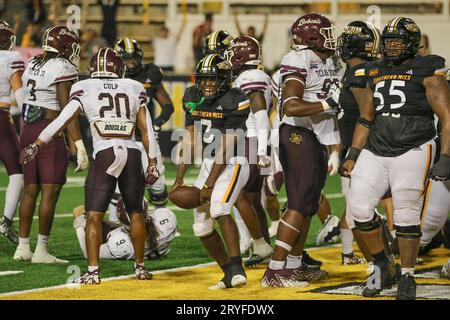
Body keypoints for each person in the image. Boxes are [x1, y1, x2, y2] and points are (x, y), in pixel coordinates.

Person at [20, 47, 160, 284]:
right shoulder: (134, 87)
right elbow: (147, 130)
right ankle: (140, 268)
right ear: (119, 68)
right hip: (133, 152)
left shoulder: (84, 87)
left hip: (105, 152)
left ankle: (94, 272)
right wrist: (153, 162)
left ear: (94, 68)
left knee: (93, 215)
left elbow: (63, 120)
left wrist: (37, 144)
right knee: (136, 213)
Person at [341, 17, 450, 300]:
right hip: (375, 148)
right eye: (388, 41)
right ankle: (382, 265)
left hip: (414, 146)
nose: (392, 46)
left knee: (406, 214)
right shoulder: (372, 70)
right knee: (359, 209)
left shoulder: (427, 67)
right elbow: (366, 117)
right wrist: (353, 153)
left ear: (412, 43)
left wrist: (446, 156)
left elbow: (447, 116)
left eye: (398, 40)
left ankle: (408, 275)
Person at [262, 13, 340, 288]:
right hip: (297, 132)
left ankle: (294, 265)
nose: (331, 37)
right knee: (297, 203)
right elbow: (291, 106)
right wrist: (328, 103)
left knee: (308, 203)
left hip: (315, 134)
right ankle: (274, 271)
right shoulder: (298, 58)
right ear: (310, 37)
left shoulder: (329, 59)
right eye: (326, 32)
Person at [172, 53, 250, 289]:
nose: (206, 84)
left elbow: (226, 150)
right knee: (201, 226)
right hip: (209, 162)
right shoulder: (192, 97)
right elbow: (190, 141)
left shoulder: (235, 100)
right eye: (204, 79)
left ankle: (238, 268)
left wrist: (208, 185)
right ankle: (227, 272)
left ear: (225, 80)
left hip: (235, 161)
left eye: (212, 79)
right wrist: (179, 178)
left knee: (219, 207)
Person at [13, 25, 88, 264]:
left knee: (30, 190)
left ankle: (23, 247)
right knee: (50, 191)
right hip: (49, 133)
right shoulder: (63, 67)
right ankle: (41, 250)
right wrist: (77, 142)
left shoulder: (34, 62)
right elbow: (67, 109)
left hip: (27, 129)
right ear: (64, 46)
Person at [225, 36, 275, 266]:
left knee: (236, 194)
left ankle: (260, 244)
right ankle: (263, 246)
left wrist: (262, 148)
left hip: (252, 141)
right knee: (254, 200)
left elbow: (261, 115)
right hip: (255, 141)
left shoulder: (249, 77)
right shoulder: (258, 75)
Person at [112, 38, 174, 215]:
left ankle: (163, 221)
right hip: (121, 137)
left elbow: (168, 105)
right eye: (126, 58)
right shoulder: (112, 77)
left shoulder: (150, 73)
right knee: (116, 187)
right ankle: (115, 224)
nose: (130, 62)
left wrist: (157, 123)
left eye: (133, 57)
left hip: (146, 137)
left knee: (157, 184)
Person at [73, 198, 177, 261]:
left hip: (124, 239)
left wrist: (79, 225)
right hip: (138, 239)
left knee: (79, 211)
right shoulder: (166, 218)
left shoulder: (119, 242)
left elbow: (89, 254)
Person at [0, 20, 24, 245]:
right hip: (0, 118)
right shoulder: (10, 57)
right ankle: (6, 221)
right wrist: (29, 114)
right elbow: (19, 90)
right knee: (18, 173)